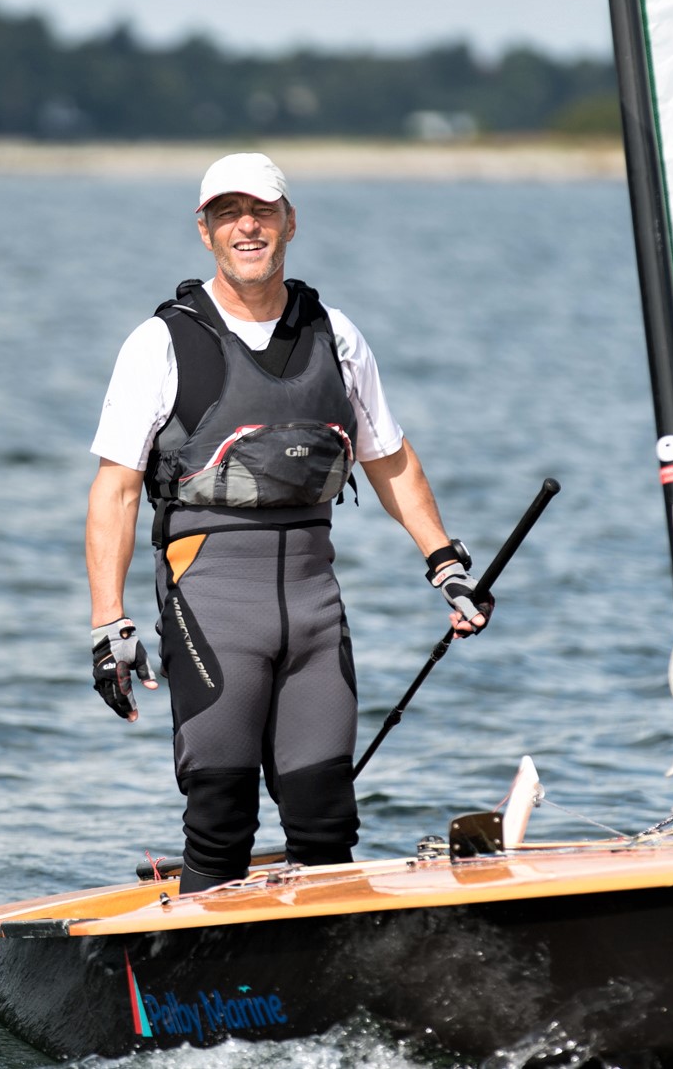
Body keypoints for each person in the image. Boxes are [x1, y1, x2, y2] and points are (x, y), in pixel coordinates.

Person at [85, 153, 492, 893]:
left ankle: (336, 985)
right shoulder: (160, 344)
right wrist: (108, 624)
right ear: (204, 230)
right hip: (211, 609)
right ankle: (200, 986)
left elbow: (389, 460)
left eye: (262, 212)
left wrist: (446, 565)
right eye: (228, 214)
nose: (247, 227)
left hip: (313, 609)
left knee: (325, 819)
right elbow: (113, 489)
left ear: (289, 222)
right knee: (221, 813)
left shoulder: (334, 335)